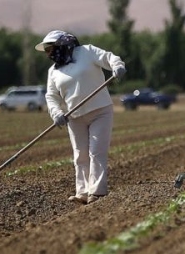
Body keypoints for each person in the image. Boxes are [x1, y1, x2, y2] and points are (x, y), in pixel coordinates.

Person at [36, 30, 126, 204]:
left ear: (62, 44)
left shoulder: (87, 52)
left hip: (100, 110)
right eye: (46, 50)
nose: (48, 54)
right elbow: (51, 97)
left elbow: (109, 58)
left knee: (96, 152)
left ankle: (98, 192)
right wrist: (56, 113)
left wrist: (117, 66)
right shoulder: (53, 71)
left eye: (50, 48)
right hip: (74, 116)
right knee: (80, 155)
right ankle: (82, 192)